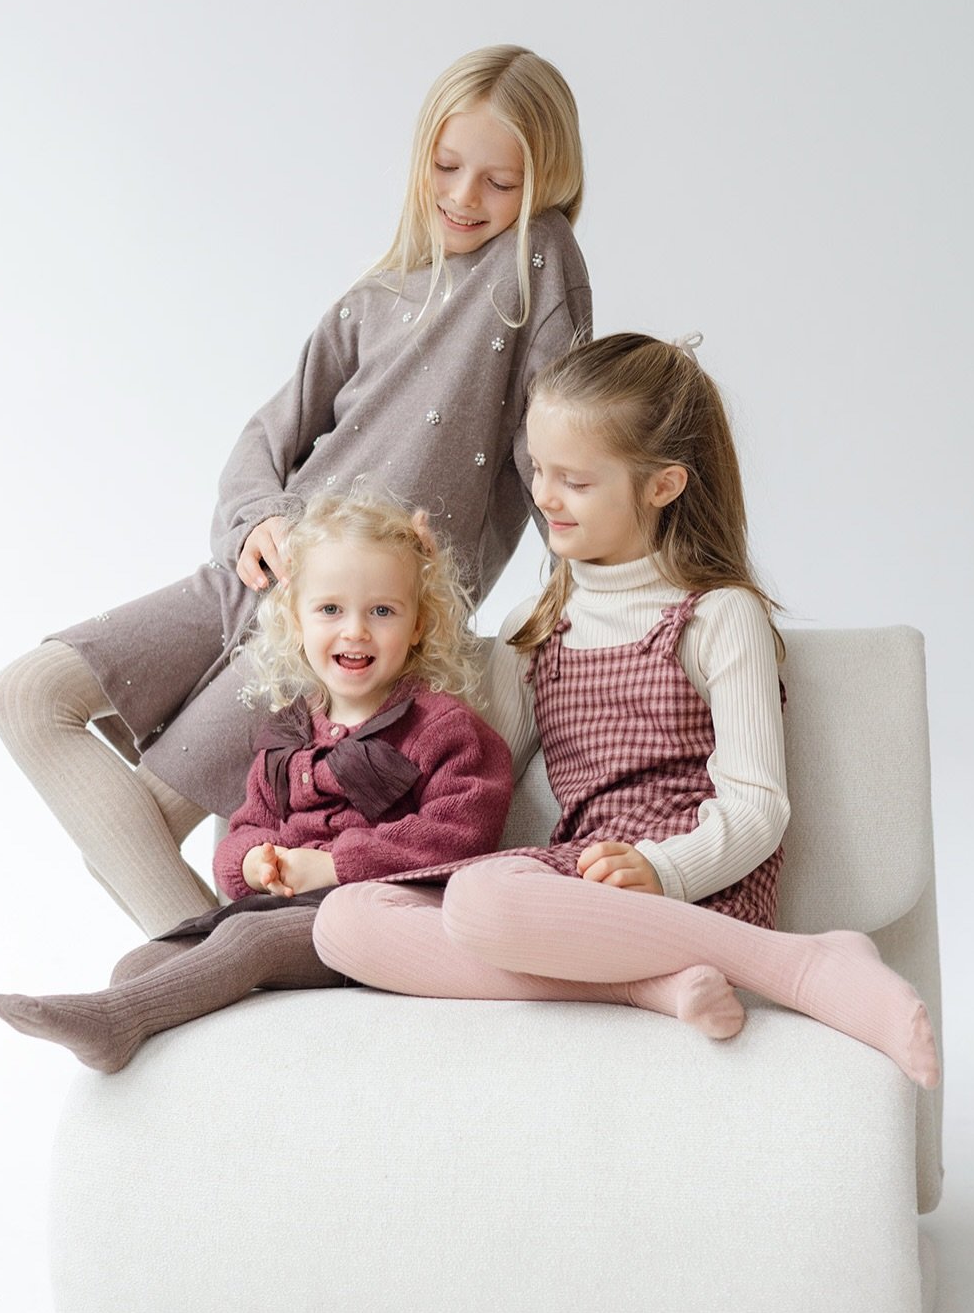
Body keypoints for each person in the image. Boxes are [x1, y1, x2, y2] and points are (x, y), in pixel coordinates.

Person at [0, 45, 588, 938]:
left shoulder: (533, 261)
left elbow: (559, 446)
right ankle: (219, 969)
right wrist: (255, 520)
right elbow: (265, 441)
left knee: (139, 823)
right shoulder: (372, 297)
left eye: (500, 181)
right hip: (261, 572)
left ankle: (218, 977)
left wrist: (586, 589)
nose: (465, 198)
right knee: (28, 694)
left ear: (544, 187)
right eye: (447, 166)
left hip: (344, 615)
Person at [313, 335, 941, 1088]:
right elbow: (473, 778)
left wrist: (662, 870)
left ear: (663, 485)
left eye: (573, 480)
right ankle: (646, 988)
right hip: (580, 885)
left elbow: (758, 808)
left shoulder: (716, 617)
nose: (544, 497)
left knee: (484, 900)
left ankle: (805, 964)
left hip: (695, 889)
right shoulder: (537, 622)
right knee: (344, 920)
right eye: (538, 470)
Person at [0, 491, 513, 1071]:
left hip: (372, 919)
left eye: (382, 612)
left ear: (418, 624)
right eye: (331, 610)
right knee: (145, 963)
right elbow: (246, 827)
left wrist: (338, 866)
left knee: (247, 943)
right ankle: (152, 1042)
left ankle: (121, 1021)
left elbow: (462, 834)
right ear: (296, 620)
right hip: (285, 912)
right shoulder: (289, 730)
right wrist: (251, 863)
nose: (355, 631)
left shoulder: (443, 727)